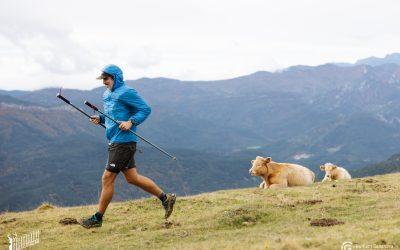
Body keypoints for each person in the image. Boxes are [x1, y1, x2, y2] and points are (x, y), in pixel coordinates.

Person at [80, 64, 176, 229]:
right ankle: (165, 199)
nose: (104, 82)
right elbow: (112, 116)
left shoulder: (127, 92)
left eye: (106, 79)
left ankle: (97, 218)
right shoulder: (106, 95)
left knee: (107, 178)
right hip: (114, 140)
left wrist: (131, 122)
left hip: (124, 143)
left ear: (115, 78)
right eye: (102, 79)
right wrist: (101, 120)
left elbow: (145, 109)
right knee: (133, 178)